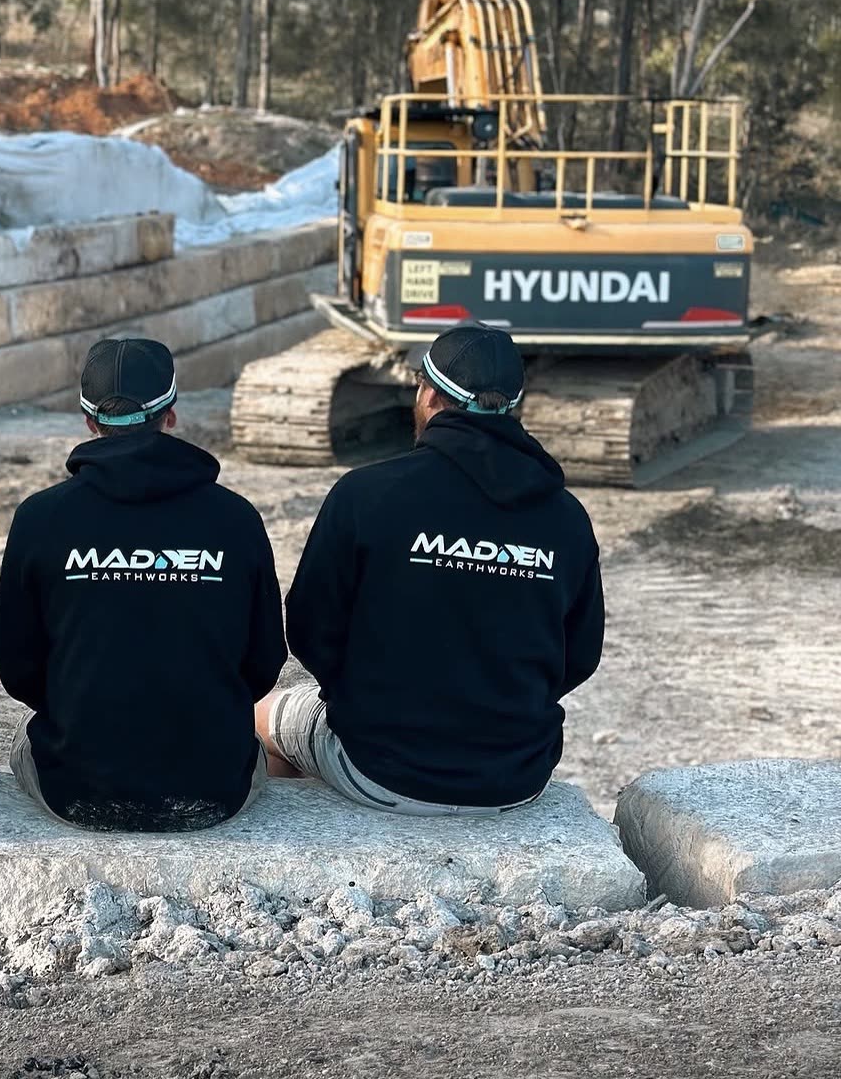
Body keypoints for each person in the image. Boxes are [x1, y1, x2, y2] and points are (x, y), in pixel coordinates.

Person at [258, 323, 604, 815]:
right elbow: (580, 655)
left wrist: (359, 700)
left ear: (428, 395)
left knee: (261, 717)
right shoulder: (566, 517)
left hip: (380, 768)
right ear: (513, 404)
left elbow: (310, 629)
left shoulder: (367, 493)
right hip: (515, 778)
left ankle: (317, 841)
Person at [0, 337, 287, 831]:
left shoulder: (42, 518)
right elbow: (263, 660)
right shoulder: (234, 518)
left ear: (88, 421)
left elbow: (16, 661)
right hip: (213, 791)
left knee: (21, 734)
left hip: (77, 787)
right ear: (170, 414)